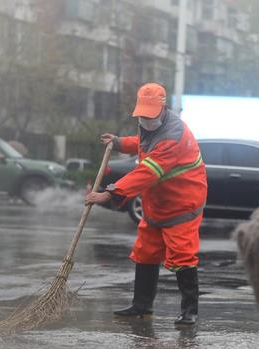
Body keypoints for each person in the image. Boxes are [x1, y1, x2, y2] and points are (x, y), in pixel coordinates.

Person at [85, 83, 207, 326]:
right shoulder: (151, 126)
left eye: (150, 115)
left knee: (182, 255)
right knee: (145, 252)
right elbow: (141, 142)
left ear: (163, 109)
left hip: (182, 202)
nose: (145, 120)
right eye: (142, 115)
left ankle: (189, 311)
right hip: (157, 202)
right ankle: (141, 306)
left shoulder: (174, 136)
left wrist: (109, 194)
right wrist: (119, 142)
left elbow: (147, 172)